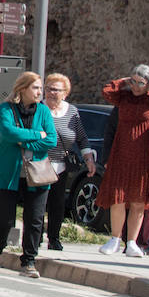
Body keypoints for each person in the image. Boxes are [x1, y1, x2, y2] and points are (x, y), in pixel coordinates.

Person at [97, 64, 149, 257]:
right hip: (121, 156)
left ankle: (131, 242)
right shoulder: (123, 98)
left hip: (145, 160)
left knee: (139, 202)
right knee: (118, 198)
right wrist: (123, 81)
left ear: (148, 85)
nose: (136, 86)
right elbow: (107, 90)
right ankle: (115, 238)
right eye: (133, 81)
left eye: (140, 83)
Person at [0, 71, 56, 277]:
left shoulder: (43, 111)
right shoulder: (6, 108)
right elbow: (8, 132)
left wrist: (24, 140)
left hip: (37, 173)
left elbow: (51, 139)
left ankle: (29, 261)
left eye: (41, 88)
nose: (40, 92)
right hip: (9, 171)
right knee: (5, 219)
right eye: (35, 88)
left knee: (34, 219)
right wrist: (37, 135)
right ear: (22, 89)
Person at [42, 72, 97, 251]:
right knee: (37, 203)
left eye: (56, 90)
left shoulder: (72, 111)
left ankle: (54, 238)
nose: (51, 93)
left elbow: (81, 137)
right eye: (49, 89)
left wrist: (89, 159)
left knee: (57, 203)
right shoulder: (39, 108)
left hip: (61, 165)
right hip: (40, 163)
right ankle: (34, 237)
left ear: (65, 93)